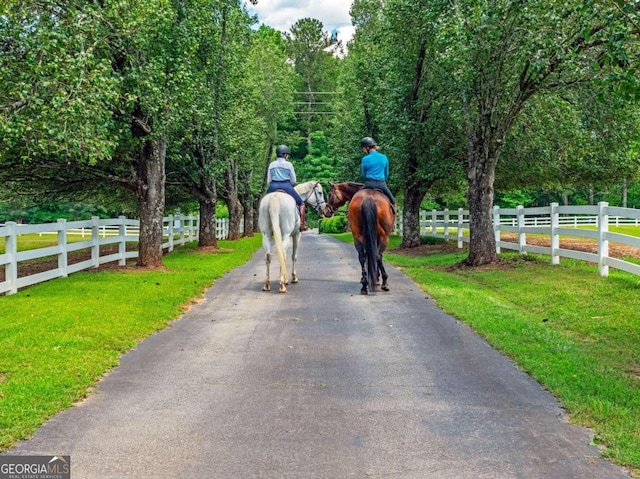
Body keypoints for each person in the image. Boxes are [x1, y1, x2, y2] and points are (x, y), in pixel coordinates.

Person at [266, 144, 308, 231]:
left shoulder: (272, 165)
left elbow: (269, 180)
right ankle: (302, 225)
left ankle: (264, 224)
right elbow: (293, 180)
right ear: (285, 155)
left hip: (273, 186)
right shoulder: (289, 165)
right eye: (287, 154)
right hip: (286, 186)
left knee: (264, 203)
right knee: (301, 203)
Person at [359, 136, 397, 214]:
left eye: (363, 148)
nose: (363, 150)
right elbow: (386, 173)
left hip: (368, 184)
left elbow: (364, 174)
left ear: (367, 148)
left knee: (354, 199)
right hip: (381, 184)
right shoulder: (384, 157)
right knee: (393, 202)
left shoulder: (365, 159)